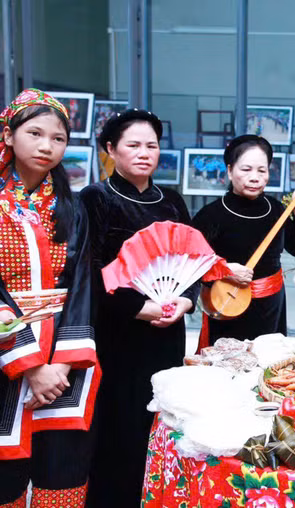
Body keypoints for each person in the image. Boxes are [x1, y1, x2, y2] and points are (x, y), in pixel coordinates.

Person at [81, 109, 199, 507]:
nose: (144, 152)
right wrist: (140, 307)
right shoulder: (96, 198)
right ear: (111, 149)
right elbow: (91, 271)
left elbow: (192, 259)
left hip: (168, 331)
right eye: (133, 145)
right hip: (119, 333)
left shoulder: (172, 200)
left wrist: (186, 300)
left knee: (162, 420)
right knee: (119, 425)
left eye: (152, 145)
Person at [0, 89, 97, 507]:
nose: (47, 146)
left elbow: (82, 285)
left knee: (61, 470)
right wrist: (29, 364)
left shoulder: (71, 207)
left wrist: (59, 364)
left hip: (63, 358)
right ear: (8, 135)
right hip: (6, 354)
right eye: (35, 133)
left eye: (58, 138)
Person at [193, 135, 295, 343]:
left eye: (262, 170)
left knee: (268, 356)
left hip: (271, 305)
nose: (254, 177)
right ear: (230, 171)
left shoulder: (276, 209)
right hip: (228, 305)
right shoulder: (211, 215)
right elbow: (190, 263)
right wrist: (225, 269)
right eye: (246, 169)